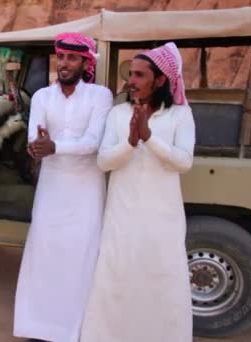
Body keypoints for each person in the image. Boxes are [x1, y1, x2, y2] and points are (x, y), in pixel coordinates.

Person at [80, 42, 195, 342]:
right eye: (131, 74)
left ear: (160, 80)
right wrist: (130, 142)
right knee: (118, 281)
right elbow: (104, 161)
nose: (131, 81)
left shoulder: (180, 115)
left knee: (162, 282)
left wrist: (149, 137)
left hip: (163, 219)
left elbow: (184, 162)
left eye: (140, 75)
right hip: (122, 217)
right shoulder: (118, 114)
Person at [14, 32, 113, 342]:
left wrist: (53, 146)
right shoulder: (43, 96)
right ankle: (37, 328)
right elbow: (35, 138)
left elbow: (93, 143)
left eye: (72, 58)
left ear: (85, 62)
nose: (65, 63)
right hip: (52, 187)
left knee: (79, 257)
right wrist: (36, 147)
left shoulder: (100, 96)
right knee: (44, 253)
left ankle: (74, 331)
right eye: (61, 57)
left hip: (85, 191)